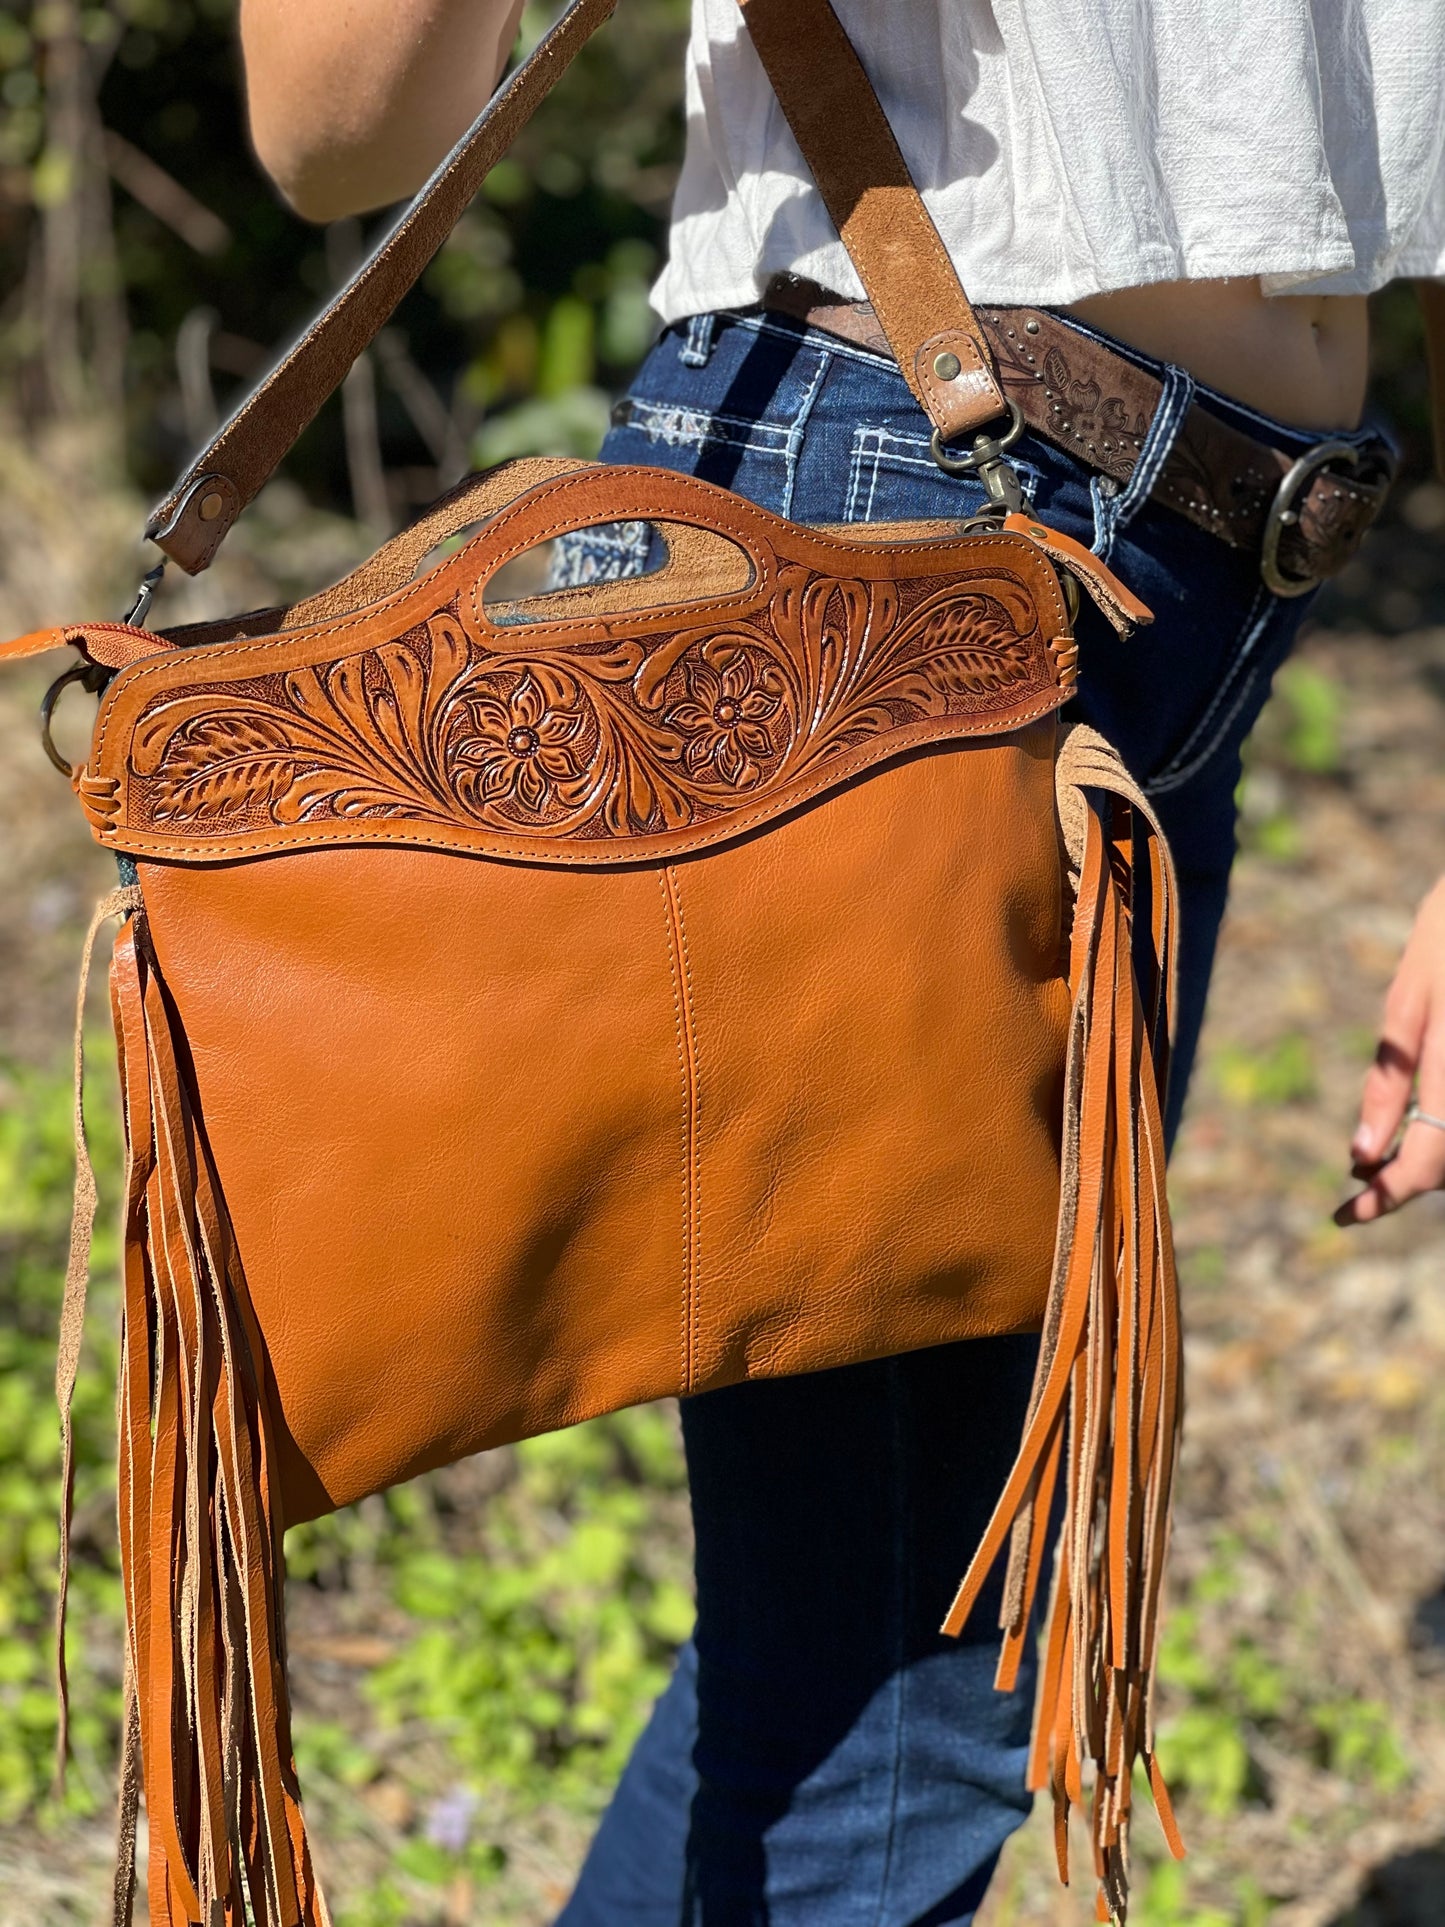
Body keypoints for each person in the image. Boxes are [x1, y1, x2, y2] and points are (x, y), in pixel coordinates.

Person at [239, 2, 1445, 1920]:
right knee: (907, 1699)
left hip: (1179, 577)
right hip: (889, 540)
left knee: (867, 1668)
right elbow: (330, 134)